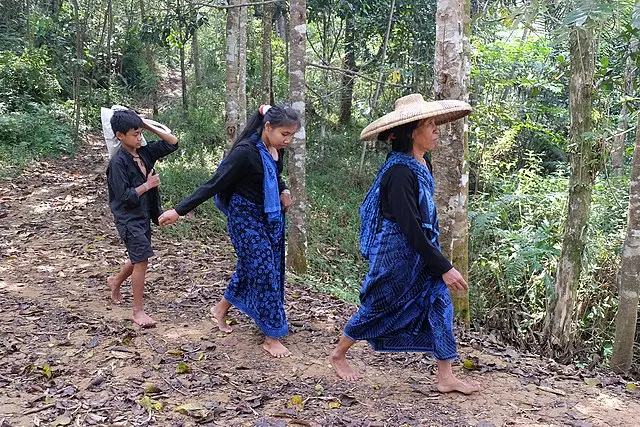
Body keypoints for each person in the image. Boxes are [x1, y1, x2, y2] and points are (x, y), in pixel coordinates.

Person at [329, 94, 480, 395]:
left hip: (421, 250)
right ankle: (338, 354)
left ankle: (445, 375)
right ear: (413, 131)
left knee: (439, 302)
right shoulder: (398, 172)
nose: (436, 129)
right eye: (429, 124)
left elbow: (422, 221)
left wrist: (437, 265)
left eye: (436, 123)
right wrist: (444, 266)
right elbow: (409, 226)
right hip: (396, 251)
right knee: (377, 306)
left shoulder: (424, 162)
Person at [158, 104, 300, 358]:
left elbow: (276, 177)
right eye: (284, 134)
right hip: (245, 218)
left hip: (271, 218)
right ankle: (272, 335)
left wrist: (284, 190)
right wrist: (178, 210)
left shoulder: (275, 149)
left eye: (291, 135)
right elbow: (214, 184)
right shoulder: (245, 153)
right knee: (264, 270)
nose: (288, 140)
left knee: (252, 268)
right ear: (267, 127)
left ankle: (219, 309)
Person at [106, 109, 178, 327]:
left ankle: (115, 280)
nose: (139, 137)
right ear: (120, 135)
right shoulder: (118, 163)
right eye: (134, 134)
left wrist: (147, 126)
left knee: (140, 254)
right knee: (142, 259)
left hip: (145, 213)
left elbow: (173, 143)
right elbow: (124, 196)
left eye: (140, 133)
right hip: (128, 217)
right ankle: (138, 311)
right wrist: (148, 185)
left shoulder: (144, 153)